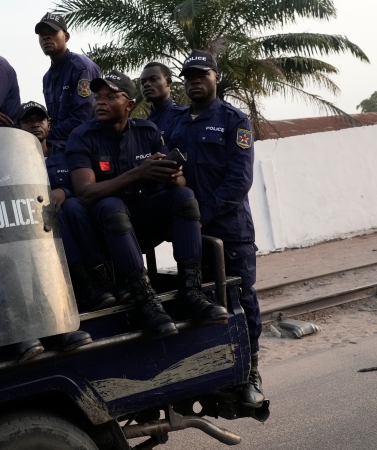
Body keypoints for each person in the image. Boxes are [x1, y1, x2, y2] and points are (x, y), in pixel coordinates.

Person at [65, 70, 229, 338]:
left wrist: (172, 175)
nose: (100, 102)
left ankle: (191, 292)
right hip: (104, 233)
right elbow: (85, 193)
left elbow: (178, 182)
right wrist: (138, 173)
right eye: (98, 97)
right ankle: (146, 301)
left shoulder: (148, 131)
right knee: (112, 206)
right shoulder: (82, 136)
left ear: (129, 103)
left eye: (110, 96)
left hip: (142, 224)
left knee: (184, 197)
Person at [0, 101, 92, 359]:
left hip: (17, 232)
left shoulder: (10, 159)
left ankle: (56, 323)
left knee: (33, 248)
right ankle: (22, 330)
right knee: (3, 257)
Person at [165, 50, 264, 408]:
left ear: (215, 78)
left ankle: (251, 371)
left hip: (230, 231)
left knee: (242, 300)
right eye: (189, 75)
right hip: (194, 237)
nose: (194, 81)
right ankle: (214, 373)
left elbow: (240, 180)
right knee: (203, 302)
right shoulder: (175, 125)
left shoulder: (234, 121)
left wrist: (201, 215)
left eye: (201, 74)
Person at [16, 101, 128, 311]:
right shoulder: (13, 162)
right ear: (19, 128)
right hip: (35, 224)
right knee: (54, 212)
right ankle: (82, 282)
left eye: (39, 120)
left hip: (75, 215)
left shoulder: (66, 152)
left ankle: (101, 277)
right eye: (27, 121)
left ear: (48, 124)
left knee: (74, 205)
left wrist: (64, 192)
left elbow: (82, 186)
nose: (34, 125)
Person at [35, 12, 101, 151]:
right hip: (61, 146)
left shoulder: (81, 67)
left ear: (66, 36)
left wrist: (46, 135)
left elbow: (82, 118)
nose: (46, 37)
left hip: (88, 146)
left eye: (52, 32)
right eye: (42, 34)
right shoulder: (47, 77)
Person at [140, 62, 186, 140]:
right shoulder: (143, 125)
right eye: (143, 82)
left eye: (153, 79)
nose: (146, 85)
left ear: (168, 82)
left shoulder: (184, 117)